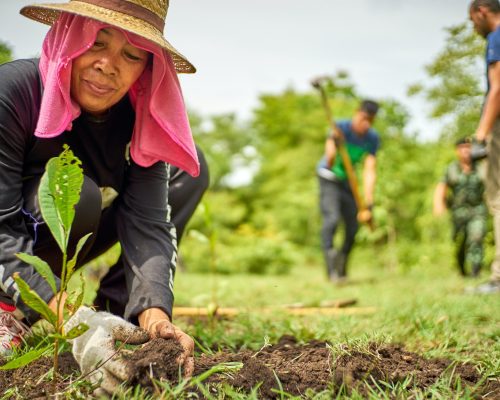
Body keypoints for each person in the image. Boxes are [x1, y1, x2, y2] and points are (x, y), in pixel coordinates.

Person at [0, 0, 209, 393]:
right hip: (11, 240)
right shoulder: (12, 94)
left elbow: (149, 224)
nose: (109, 65)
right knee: (76, 193)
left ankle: (118, 317)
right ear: (70, 37)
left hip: (59, 242)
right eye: (96, 42)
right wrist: (76, 322)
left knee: (191, 167)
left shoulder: (139, 118)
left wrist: (155, 320)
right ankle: (11, 307)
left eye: (131, 54)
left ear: (147, 67)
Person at [317, 100, 380, 282]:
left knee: (352, 227)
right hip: (328, 176)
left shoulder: (372, 138)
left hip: (347, 183)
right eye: (363, 118)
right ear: (356, 113)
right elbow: (329, 158)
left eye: (371, 120)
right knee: (332, 219)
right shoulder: (340, 127)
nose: (366, 124)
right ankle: (331, 269)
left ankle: (342, 266)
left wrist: (368, 202)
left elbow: (370, 170)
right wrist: (334, 147)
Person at [469, 0, 500, 293]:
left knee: (498, 197)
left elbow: (498, 86)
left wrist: (481, 135)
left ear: (481, 11)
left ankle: (499, 277)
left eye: (472, 20)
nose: (473, 27)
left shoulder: (497, 36)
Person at [433, 137, 488, 277]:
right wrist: (439, 204)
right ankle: (462, 269)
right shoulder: (451, 169)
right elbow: (442, 186)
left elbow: (490, 184)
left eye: (469, 147)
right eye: (462, 148)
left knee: (477, 237)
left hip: (477, 209)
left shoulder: (481, 167)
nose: (466, 151)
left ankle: (475, 271)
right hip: (458, 212)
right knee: (460, 241)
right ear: (457, 151)